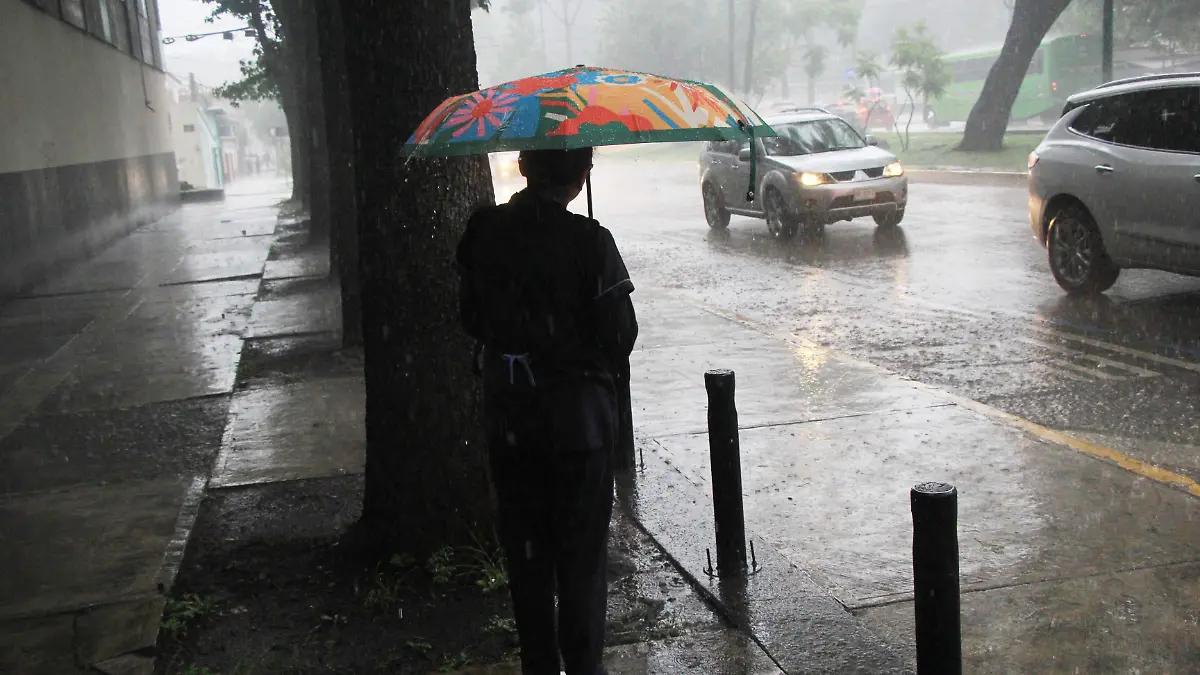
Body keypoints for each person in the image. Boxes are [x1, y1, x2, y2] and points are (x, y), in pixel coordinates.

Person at [455, 147, 638, 675]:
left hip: (511, 422)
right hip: (578, 428)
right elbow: (620, 335)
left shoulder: (486, 231)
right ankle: (583, 666)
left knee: (527, 553)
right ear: (581, 177)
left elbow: (470, 317)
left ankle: (539, 663)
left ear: (524, 168)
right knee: (581, 560)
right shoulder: (590, 242)